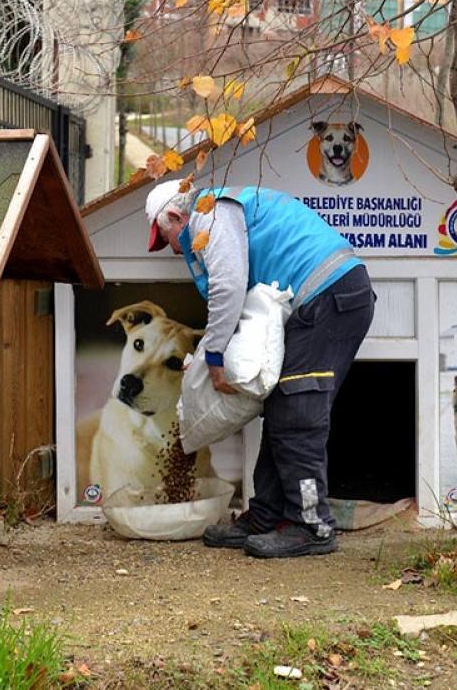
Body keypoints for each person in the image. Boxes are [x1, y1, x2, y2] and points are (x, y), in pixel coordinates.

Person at [144, 181, 374, 558]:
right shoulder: (215, 213)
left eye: (166, 236)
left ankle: (312, 526)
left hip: (330, 295)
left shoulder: (211, 216)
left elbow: (228, 287)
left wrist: (215, 358)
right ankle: (268, 515)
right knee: (282, 408)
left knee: (298, 411)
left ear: (175, 215)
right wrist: (205, 363)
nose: (172, 247)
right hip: (320, 299)